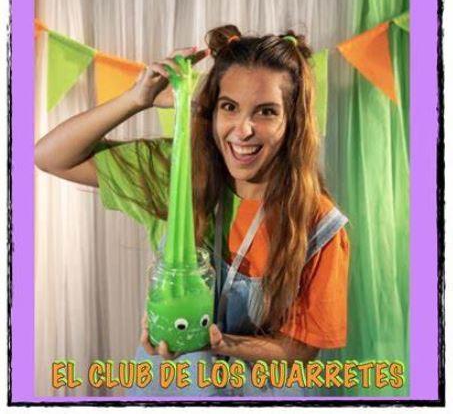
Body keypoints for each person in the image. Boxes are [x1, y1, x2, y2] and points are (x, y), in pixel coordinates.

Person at [35, 24, 350, 397]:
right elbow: (50, 156)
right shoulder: (177, 173)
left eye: (266, 112)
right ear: (211, 111)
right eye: (229, 107)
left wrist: (217, 343)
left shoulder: (318, 223)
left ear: (292, 121)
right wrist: (136, 99)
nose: (243, 129)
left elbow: (302, 350)